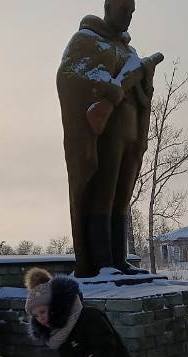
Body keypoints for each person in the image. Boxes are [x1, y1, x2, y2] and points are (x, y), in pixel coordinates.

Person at [57, 0, 160, 278]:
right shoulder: (86, 40)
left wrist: (144, 76)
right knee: (104, 193)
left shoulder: (129, 50)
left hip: (130, 133)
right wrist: (111, 87)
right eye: (124, 10)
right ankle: (102, 263)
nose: (128, 17)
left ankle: (119, 260)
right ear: (108, 6)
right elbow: (69, 76)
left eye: (132, 12)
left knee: (121, 198)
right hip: (106, 135)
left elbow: (141, 94)